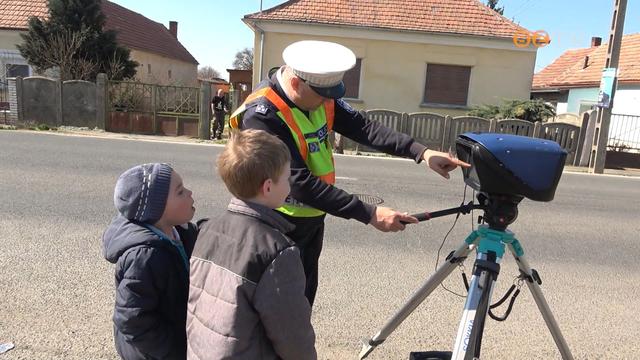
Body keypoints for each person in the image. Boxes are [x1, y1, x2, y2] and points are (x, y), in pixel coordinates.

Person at [229, 40, 470, 305]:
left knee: (303, 299)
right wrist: (368, 213)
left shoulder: (319, 96)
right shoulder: (262, 115)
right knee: (278, 308)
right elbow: (298, 182)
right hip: (275, 224)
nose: (328, 102)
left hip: (310, 219)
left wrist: (421, 152)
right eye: (323, 95)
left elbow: (364, 128)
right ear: (297, 84)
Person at [187, 129, 316, 360]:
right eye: (287, 179)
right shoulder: (276, 253)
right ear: (268, 187)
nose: (289, 185)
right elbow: (293, 336)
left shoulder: (206, 229)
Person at [103, 163, 197, 360]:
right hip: (153, 353)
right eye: (180, 192)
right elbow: (131, 318)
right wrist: (175, 351)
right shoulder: (145, 256)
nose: (189, 192)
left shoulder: (176, 231)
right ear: (157, 210)